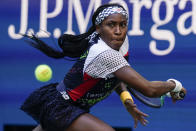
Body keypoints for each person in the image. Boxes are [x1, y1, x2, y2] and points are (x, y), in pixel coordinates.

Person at [21, 3, 186, 131]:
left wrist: (126, 99)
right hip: (61, 107)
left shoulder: (118, 42)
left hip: (67, 106)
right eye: (111, 24)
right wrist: (174, 85)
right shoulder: (105, 53)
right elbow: (150, 89)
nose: (118, 31)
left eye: (123, 25)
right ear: (99, 28)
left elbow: (114, 75)